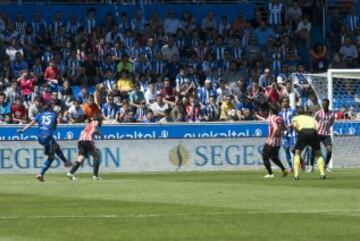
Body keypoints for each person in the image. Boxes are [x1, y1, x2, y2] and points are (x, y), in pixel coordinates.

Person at [17, 104, 71, 182]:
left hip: (40, 137)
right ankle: (41, 174)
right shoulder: (53, 114)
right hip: (48, 137)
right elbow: (55, 126)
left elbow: (31, 123)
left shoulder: (40, 115)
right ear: (50, 109)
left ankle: (65, 161)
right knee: (51, 157)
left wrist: (23, 130)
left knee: (56, 145)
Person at [291, 107, 326, 180]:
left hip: (303, 132)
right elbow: (318, 126)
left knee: (297, 153)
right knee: (318, 154)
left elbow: (294, 125)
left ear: (297, 113)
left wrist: (298, 131)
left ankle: (296, 175)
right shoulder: (311, 118)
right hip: (313, 132)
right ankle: (323, 174)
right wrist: (314, 132)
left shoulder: (295, 117)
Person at [67, 115, 103, 181]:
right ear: (97, 120)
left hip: (81, 141)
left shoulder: (88, 124)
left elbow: (83, 132)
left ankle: (70, 173)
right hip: (88, 141)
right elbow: (94, 128)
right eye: (100, 121)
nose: (100, 123)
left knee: (80, 158)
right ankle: (95, 176)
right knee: (96, 157)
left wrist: (98, 133)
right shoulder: (94, 123)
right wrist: (98, 133)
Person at [262, 105, 288, 178]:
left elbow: (276, 128)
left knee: (265, 157)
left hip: (272, 141)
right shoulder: (280, 118)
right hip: (278, 142)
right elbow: (285, 128)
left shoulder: (272, 118)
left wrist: (271, 138)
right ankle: (284, 170)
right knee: (273, 157)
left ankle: (270, 174)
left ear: (270, 111)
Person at [313, 98, 335, 172]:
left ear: (328, 104)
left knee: (329, 150)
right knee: (313, 150)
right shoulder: (318, 113)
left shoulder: (332, 113)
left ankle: (326, 165)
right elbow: (314, 122)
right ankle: (311, 166)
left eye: (325, 104)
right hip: (318, 134)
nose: (324, 105)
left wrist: (327, 125)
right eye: (323, 104)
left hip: (326, 134)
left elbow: (332, 122)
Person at [279, 97, 297, 172]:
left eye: (286, 101)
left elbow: (295, 121)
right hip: (284, 134)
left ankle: (301, 161)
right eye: (283, 101)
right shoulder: (280, 112)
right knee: (286, 149)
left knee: (293, 149)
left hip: (292, 133)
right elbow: (280, 122)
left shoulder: (293, 111)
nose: (284, 103)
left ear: (289, 102)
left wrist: (288, 126)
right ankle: (291, 167)